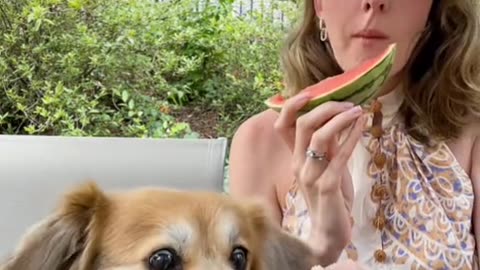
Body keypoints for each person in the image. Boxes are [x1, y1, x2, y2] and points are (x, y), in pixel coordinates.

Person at [228, 0, 480, 269]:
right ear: (319, 6)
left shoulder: (473, 134)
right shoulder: (258, 142)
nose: (373, 2)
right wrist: (322, 245)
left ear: (431, 10)